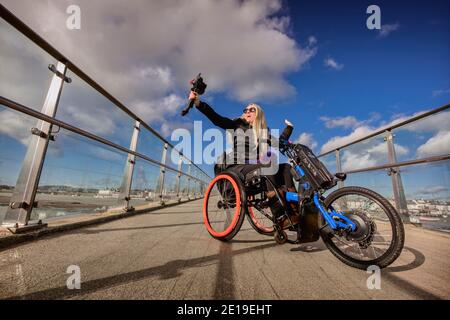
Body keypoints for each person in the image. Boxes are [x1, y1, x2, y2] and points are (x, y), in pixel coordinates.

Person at [188, 91, 300, 228]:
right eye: (245, 109)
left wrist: (289, 128)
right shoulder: (237, 125)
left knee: (286, 168)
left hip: (256, 167)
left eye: (251, 109)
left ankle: (295, 213)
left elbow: (280, 143)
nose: (247, 111)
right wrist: (198, 103)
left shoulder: (263, 133)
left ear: (258, 114)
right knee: (269, 161)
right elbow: (217, 119)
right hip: (237, 168)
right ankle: (280, 216)